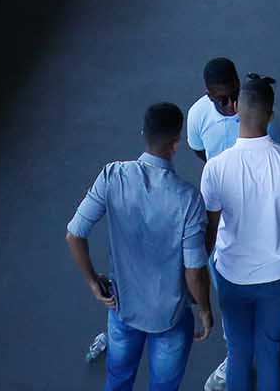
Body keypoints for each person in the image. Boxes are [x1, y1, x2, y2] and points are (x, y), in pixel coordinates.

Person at [66, 101, 213, 391]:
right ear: (175, 144)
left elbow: (74, 234)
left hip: (122, 308)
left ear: (143, 133)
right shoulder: (188, 200)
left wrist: (94, 282)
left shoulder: (112, 176)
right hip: (169, 320)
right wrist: (205, 310)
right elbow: (194, 271)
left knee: (118, 380)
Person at [198, 75, 280, 391]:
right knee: (270, 350)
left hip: (232, 275)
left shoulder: (216, 168)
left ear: (235, 108)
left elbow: (209, 229)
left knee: (238, 351)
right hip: (277, 277)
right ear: (271, 115)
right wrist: (275, 205)